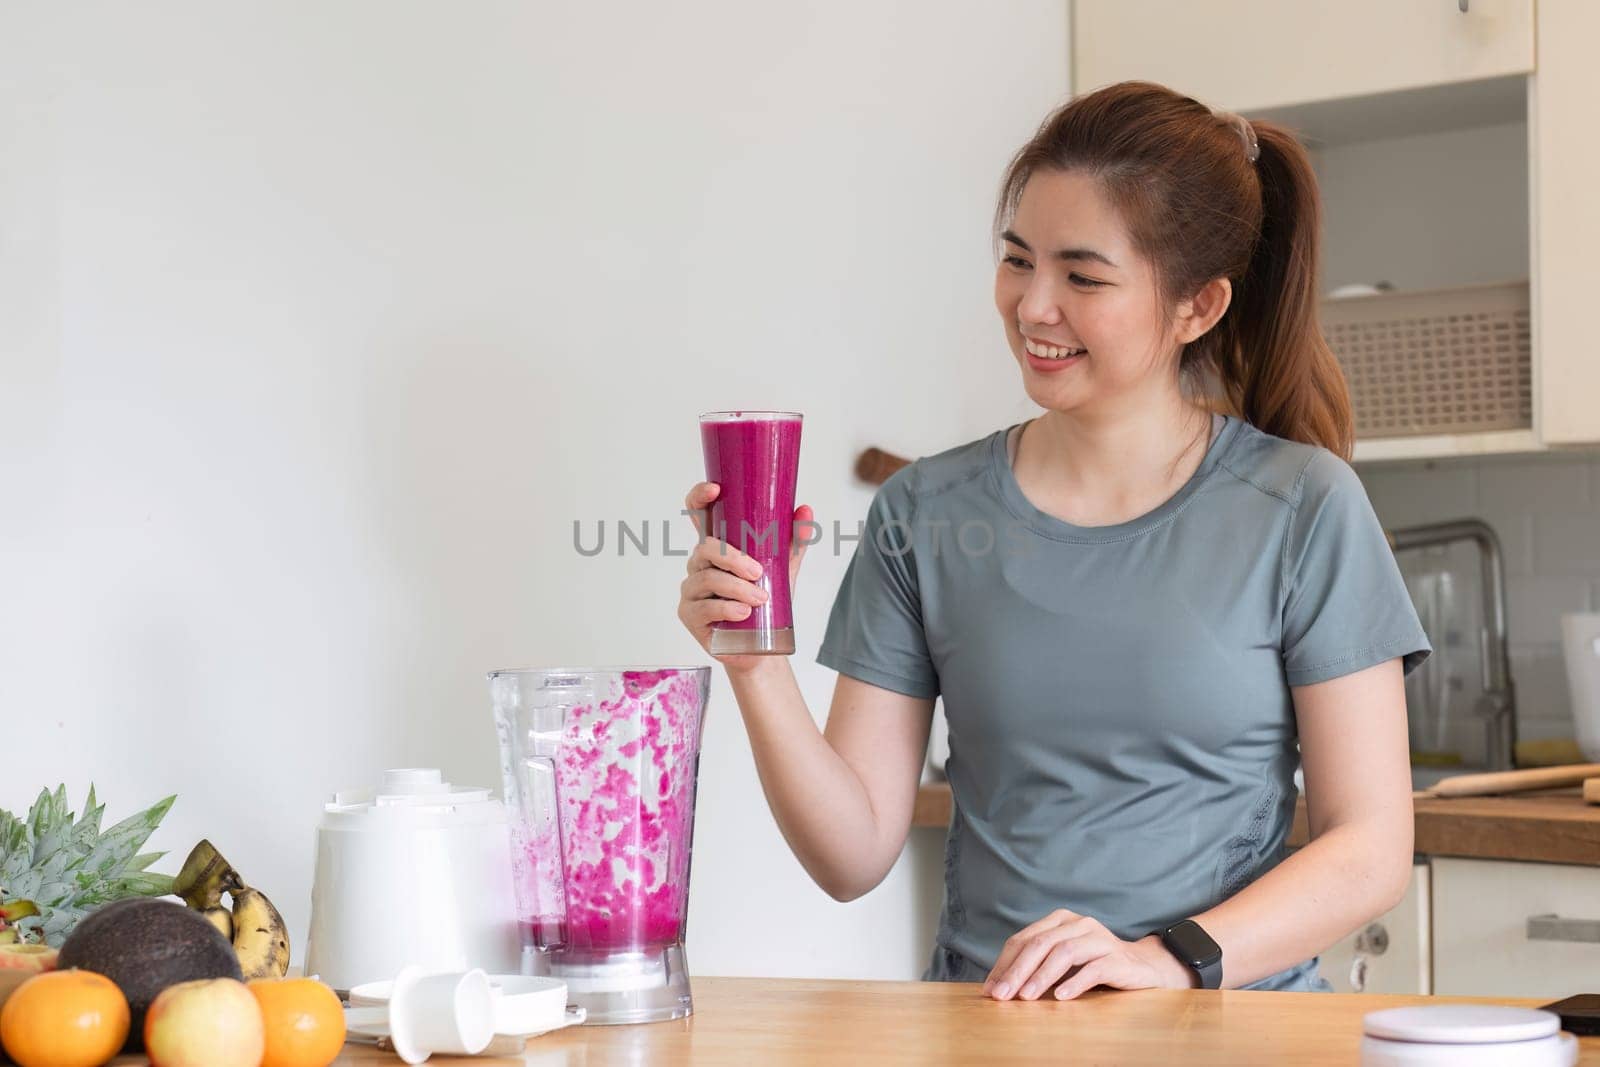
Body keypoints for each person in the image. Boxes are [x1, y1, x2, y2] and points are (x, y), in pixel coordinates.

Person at [675, 81, 1428, 1000]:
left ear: (1197, 306)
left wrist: (1163, 960)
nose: (1033, 306)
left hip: (1231, 1031)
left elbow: (1372, 846)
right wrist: (757, 665)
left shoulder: (1304, 506)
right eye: (1017, 260)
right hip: (995, 1029)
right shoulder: (923, 512)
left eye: (1084, 275)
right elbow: (851, 853)